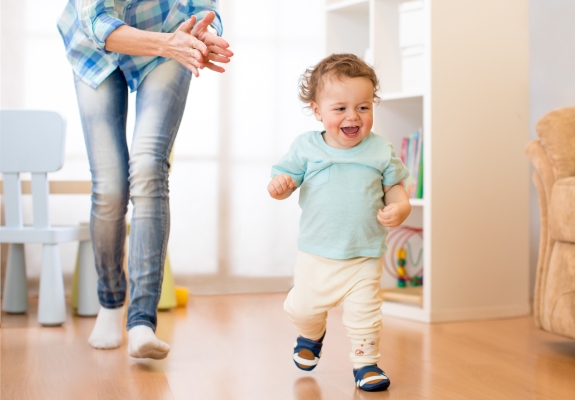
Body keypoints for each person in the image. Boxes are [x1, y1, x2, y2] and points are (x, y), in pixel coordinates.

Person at [57, 0, 233, 360]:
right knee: (110, 187)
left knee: (149, 168)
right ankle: (109, 302)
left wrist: (203, 34)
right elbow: (98, 22)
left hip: (169, 34)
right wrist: (169, 43)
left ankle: (141, 322)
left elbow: (203, 6)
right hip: (98, 47)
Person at [267, 53, 411, 392]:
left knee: (365, 314)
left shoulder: (379, 150)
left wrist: (400, 209)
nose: (353, 116)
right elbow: (283, 179)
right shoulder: (306, 148)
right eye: (340, 108)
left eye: (363, 107)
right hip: (317, 253)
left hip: (364, 253)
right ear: (318, 111)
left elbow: (396, 190)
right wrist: (281, 186)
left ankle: (366, 364)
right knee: (302, 308)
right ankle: (311, 333)